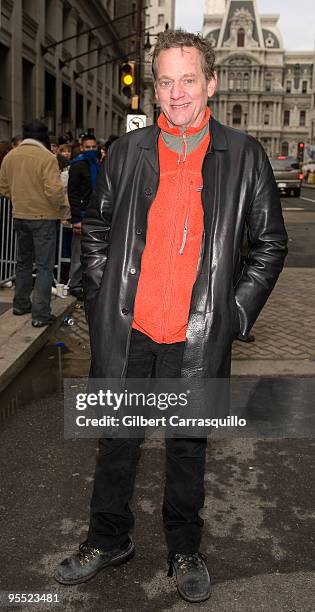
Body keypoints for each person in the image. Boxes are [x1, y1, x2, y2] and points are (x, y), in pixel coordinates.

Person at [54, 31, 287, 602]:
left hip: (198, 335)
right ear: (154, 88)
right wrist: (102, 294)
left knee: (187, 446)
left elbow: (270, 244)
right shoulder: (128, 151)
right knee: (118, 441)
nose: (176, 93)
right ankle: (109, 540)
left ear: (210, 82)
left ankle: (184, 547)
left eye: (188, 79)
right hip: (131, 329)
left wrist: (233, 312)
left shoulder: (244, 155)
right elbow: (100, 227)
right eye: (165, 81)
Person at [0, 119, 68, 326]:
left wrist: (21, 199)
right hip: (44, 217)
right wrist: (62, 209)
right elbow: (54, 191)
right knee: (45, 266)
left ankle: (20, 304)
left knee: (23, 261)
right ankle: (40, 314)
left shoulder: (11, 156)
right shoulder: (47, 158)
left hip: (20, 215)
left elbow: (3, 187)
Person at [67, 133, 99, 300]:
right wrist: (76, 219)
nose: (91, 150)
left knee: (92, 252)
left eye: (93, 147)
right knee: (78, 252)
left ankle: (86, 283)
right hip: (82, 215)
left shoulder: (98, 164)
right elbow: (72, 193)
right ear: (81, 148)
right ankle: (74, 283)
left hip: (96, 215)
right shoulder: (77, 165)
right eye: (88, 147)